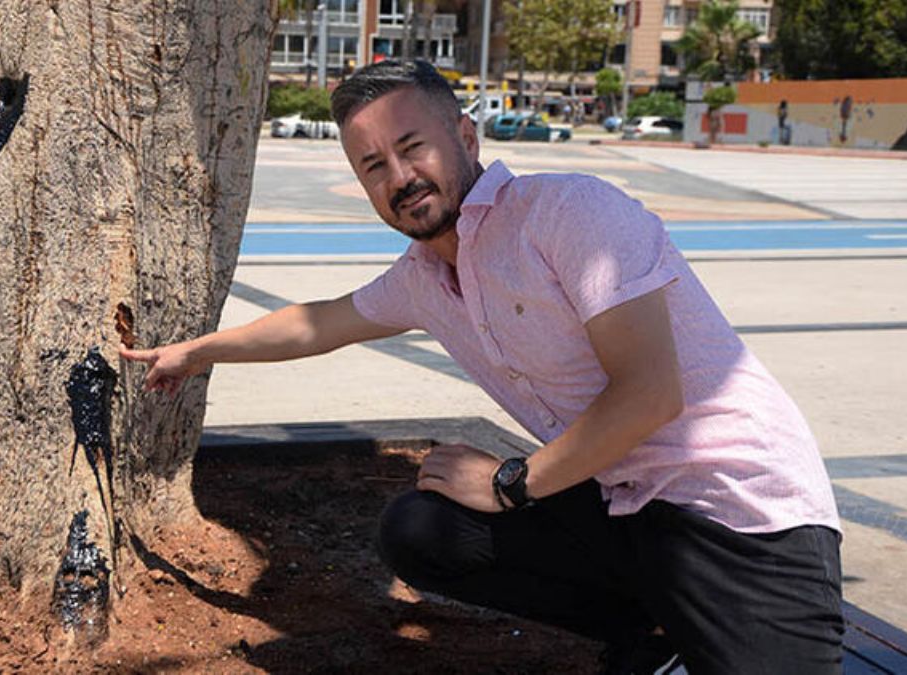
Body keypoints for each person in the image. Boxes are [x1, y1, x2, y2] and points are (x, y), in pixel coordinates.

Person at [120, 60, 843, 675]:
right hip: (626, 504)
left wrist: (511, 482)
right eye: (374, 165)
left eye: (412, 147)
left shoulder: (568, 214)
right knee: (423, 528)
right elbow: (316, 322)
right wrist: (198, 350)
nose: (399, 177)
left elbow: (650, 394)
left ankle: (686, 624)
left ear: (465, 136)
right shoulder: (423, 277)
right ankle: (653, 626)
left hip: (741, 513)